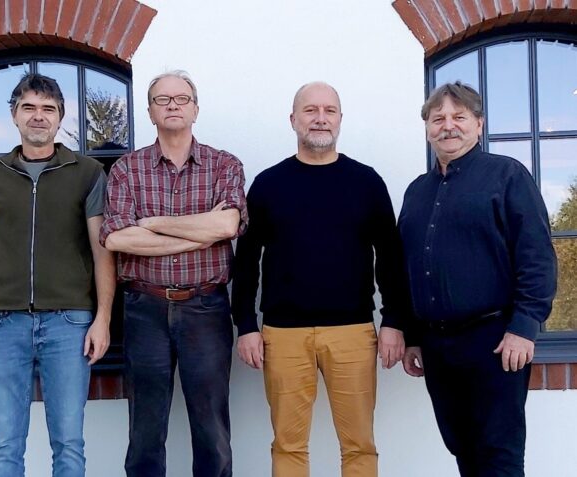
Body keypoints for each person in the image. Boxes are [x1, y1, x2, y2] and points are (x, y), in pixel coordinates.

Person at [231, 81, 409, 477]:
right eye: (310, 110)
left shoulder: (366, 182)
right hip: (283, 334)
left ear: (340, 119)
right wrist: (245, 325)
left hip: (353, 332)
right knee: (288, 445)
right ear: (293, 119)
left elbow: (390, 257)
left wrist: (394, 321)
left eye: (329, 110)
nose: (320, 118)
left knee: (359, 445)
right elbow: (245, 261)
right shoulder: (268, 184)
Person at [0, 73, 116, 477]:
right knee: (6, 444)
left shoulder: (87, 173)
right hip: (1, 323)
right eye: (28, 107)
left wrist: (102, 318)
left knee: (69, 443)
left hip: (69, 323)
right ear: (14, 115)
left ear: (60, 117)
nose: (38, 116)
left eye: (48, 109)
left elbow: (102, 251)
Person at [399, 81, 557, 477]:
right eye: (438, 119)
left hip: (495, 341)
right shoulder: (417, 192)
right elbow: (407, 267)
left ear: (479, 124)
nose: (448, 126)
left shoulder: (507, 176)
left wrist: (524, 327)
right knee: (463, 450)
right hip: (437, 346)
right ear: (427, 128)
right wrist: (412, 335)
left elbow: (536, 256)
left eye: (459, 117)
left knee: (499, 455)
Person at [100, 70, 247, 477]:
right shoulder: (127, 169)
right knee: (145, 430)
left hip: (206, 308)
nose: (173, 106)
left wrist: (152, 224)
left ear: (196, 109)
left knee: (212, 428)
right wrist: (198, 234)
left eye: (182, 99)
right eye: (162, 100)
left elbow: (227, 225)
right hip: (144, 308)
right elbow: (116, 238)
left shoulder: (224, 165)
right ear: (150, 112)